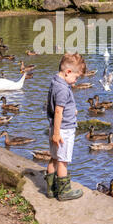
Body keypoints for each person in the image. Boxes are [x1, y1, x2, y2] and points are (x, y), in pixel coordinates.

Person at [45, 52, 86, 201]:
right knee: (63, 161)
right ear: (68, 72)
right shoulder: (63, 88)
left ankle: (50, 189)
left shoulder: (56, 81)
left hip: (54, 127)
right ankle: (64, 192)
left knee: (54, 158)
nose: (75, 82)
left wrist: (71, 109)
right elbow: (58, 111)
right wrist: (57, 134)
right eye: (76, 78)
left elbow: (57, 104)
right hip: (64, 130)